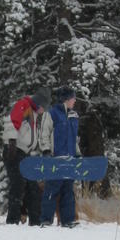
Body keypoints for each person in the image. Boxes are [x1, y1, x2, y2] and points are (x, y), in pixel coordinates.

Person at [2, 86, 51, 225]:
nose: (43, 111)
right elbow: (11, 121)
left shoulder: (34, 113)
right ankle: (13, 220)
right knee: (18, 185)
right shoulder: (24, 105)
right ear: (39, 103)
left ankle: (36, 220)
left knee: (32, 187)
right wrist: (11, 141)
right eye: (43, 107)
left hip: (23, 153)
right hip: (13, 150)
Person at [39, 86, 80, 228]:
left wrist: (78, 153)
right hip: (55, 158)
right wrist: (45, 150)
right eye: (73, 98)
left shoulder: (74, 115)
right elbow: (44, 133)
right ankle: (46, 220)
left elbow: (74, 138)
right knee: (52, 189)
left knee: (68, 191)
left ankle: (67, 220)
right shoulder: (51, 114)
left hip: (69, 158)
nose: (75, 100)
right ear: (66, 99)